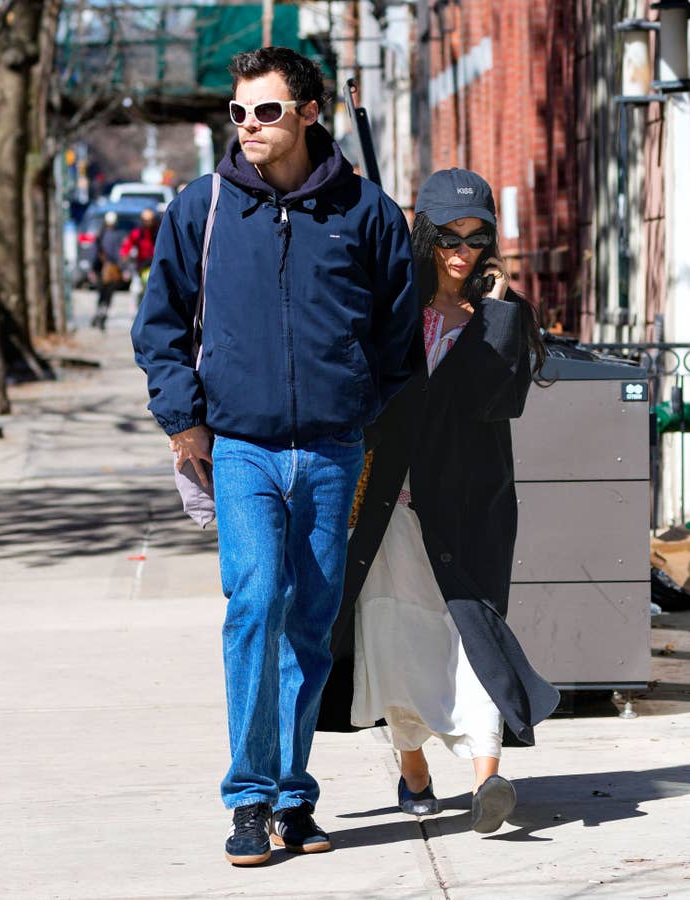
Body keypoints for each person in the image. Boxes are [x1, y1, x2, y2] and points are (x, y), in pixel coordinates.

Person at [131, 47, 419, 866]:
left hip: (332, 451)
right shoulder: (203, 208)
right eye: (238, 112)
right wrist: (184, 423)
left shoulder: (366, 212)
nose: (249, 126)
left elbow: (398, 335)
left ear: (309, 113)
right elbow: (160, 325)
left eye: (265, 111)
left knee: (311, 626)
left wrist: (356, 406)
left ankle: (294, 794)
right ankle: (249, 797)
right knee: (256, 604)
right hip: (241, 449)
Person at [320, 167, 560, 835]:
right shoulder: (394, 308)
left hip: (468, 511)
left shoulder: (502, 317)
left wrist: (499, 313)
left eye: (477, 238)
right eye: (449, 237)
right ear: (424, 235)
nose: (463, 251)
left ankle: (488, 780)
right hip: (391, 509)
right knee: (393, 637)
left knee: (471, 637)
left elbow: (495, 401)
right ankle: (415, 770)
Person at [120, 207, 158, 309]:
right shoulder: (137, 233)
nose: (147, 223)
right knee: (136, 290)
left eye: (150, 221)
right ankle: (137, 311)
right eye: (145, 221)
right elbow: (127, 245)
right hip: (141, 266)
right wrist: (125, 255)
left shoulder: (158, 232)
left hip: (154, 266)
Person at [91, 211, 123, 331]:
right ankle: (101, 317)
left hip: (102, 269)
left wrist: (93, 269)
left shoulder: (100, 235)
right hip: (110, 269)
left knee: (102, 295)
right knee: (108, 296)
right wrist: (122, 267)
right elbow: (118, 254)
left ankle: (99, 315)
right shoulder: (116, 235)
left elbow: (94, 254)